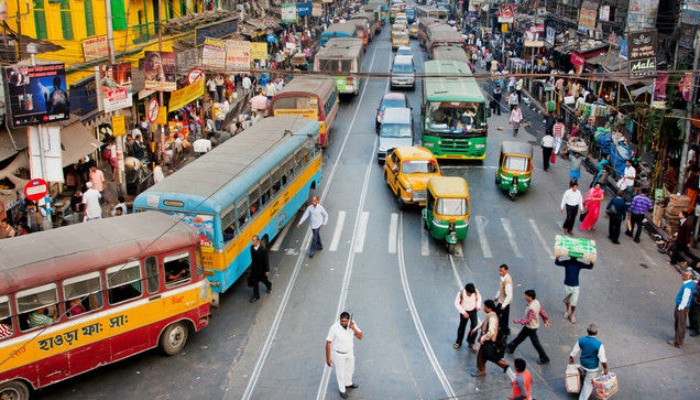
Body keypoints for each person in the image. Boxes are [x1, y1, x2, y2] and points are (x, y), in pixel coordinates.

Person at [506, 289, 551, 365]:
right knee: (521, 337)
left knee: (535, 342)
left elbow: (528, 320)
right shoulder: (536, 303)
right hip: (532, 326)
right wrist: (545, 320)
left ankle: (544, 357)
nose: (525, 297)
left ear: (530, 297)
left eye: (526, 296)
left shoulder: (532, 308)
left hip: (531, 327)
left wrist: (518, 321)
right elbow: (542, 311)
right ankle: (511, 347)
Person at [326, 312, 362, 399]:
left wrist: (353, 328)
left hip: (349, 352)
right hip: (338, 354)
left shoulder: (352, 324)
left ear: (349, 320)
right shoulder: (334, 328)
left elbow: (360, 336)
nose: (343, 323)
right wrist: (328, 358)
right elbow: (328, 342)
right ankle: (342, 390)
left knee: (350, 369)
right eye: (342, 321)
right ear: (340, 320)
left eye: (345, 321)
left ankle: (348, 383)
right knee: (340, 372)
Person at [470, 299, 510, 377]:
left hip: (488, 340)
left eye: (485, 306)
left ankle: (482, 371)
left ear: (489, 308)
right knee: (485, 355)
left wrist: (483, 338)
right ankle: (502, 365)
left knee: (482, 356)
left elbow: (491, 332)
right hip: (487, 340)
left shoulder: (492, 318)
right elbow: (484, 323)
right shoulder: (490, 315)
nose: (484, 308)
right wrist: (476, 329)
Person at [570, 323, 609, 400]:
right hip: (592, 368)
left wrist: (571, 359)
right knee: (588, 385)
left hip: (583, 364)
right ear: (596, 333)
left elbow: (574, 352)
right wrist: (605, 368)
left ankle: (580, 385)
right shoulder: (599, 344)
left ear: (587, 331)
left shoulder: (581, 340)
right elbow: (603, 359)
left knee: (583, 375)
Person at [555, 256, 594, 324]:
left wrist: (591, 262)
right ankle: (567, 311)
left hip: (575, 286)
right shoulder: (567, 262)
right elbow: (557, 263)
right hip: (567, 285)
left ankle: (572, 314)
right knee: (567, 300)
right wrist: (557, 257)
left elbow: (590, 267)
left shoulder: (578, 264)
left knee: (574, 302)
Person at [669, 271, 695, 348]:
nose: (682, 277)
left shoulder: (687, 286)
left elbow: (685, 298)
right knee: (681, 323)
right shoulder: (691, 283)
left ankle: (677, 342)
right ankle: (679, 339)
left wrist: (681, 307)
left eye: (684, 276)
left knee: (679, 324)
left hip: (682, 307)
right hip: (684, 306)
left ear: (688, 277)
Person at [454, 282, 482, 350]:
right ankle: (458, 342)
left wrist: (478, 306)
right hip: (464, 311)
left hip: (473, 311)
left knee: (474, 327)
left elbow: (479, 298)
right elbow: (456, 303)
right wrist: (463, 312)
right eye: (468, 293)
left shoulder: (475, 292)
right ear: (466, 290)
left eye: (471, 293)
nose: (470, 294)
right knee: (462, 327)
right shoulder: (460, 294)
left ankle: (471, 342)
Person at [248, 235, 272, 303]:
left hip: (262, 270)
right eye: (252, 240)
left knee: (264, 280)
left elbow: (266, 260)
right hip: (254, 269)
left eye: (254, 240)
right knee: (255, 282)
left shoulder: (263, 249)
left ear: (257, 241)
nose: (252, 242)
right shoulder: (252, 248)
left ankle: (269, 285)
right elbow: (253, 259)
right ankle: (256, 296)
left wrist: (267, 270)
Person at [493, 264, 514, 335]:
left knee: (495, 314)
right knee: (505, 317)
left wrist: (504, 304)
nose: (500, 272)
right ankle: (505, 330)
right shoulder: (503, 278)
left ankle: (505, 329)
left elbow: (509, 294)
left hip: (504, 302)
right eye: (500, 271)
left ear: (506, 271)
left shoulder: (507, 280)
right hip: (503, 301)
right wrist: (496, 297)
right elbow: (501, 289)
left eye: (502, 271)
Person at [689, 273, 700, 337]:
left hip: (698, 300)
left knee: (696, 315)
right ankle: (692, 325)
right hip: (695, 296)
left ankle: (697, 330)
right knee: (691, 312)